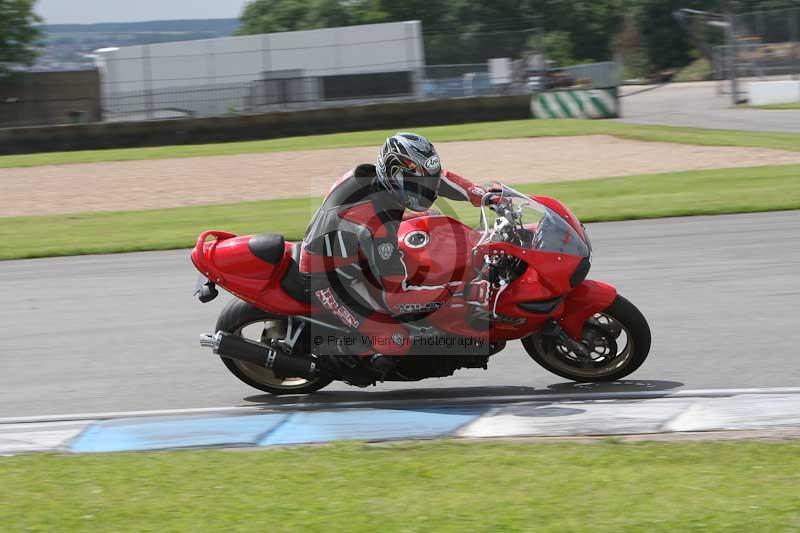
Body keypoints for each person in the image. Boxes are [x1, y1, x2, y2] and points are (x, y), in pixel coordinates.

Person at [299, 132, 498, 376]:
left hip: (353, 251)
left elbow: (440, 178)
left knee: (431, 222)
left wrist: (480, 194)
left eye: (428, 183)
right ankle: (342, 364)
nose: (428, 192)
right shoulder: (376, 225)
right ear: (395, 176)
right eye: (419, 186)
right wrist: (461, 290)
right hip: (331, 280)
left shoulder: (374, 178)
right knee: (395, 339)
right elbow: (395, 297)